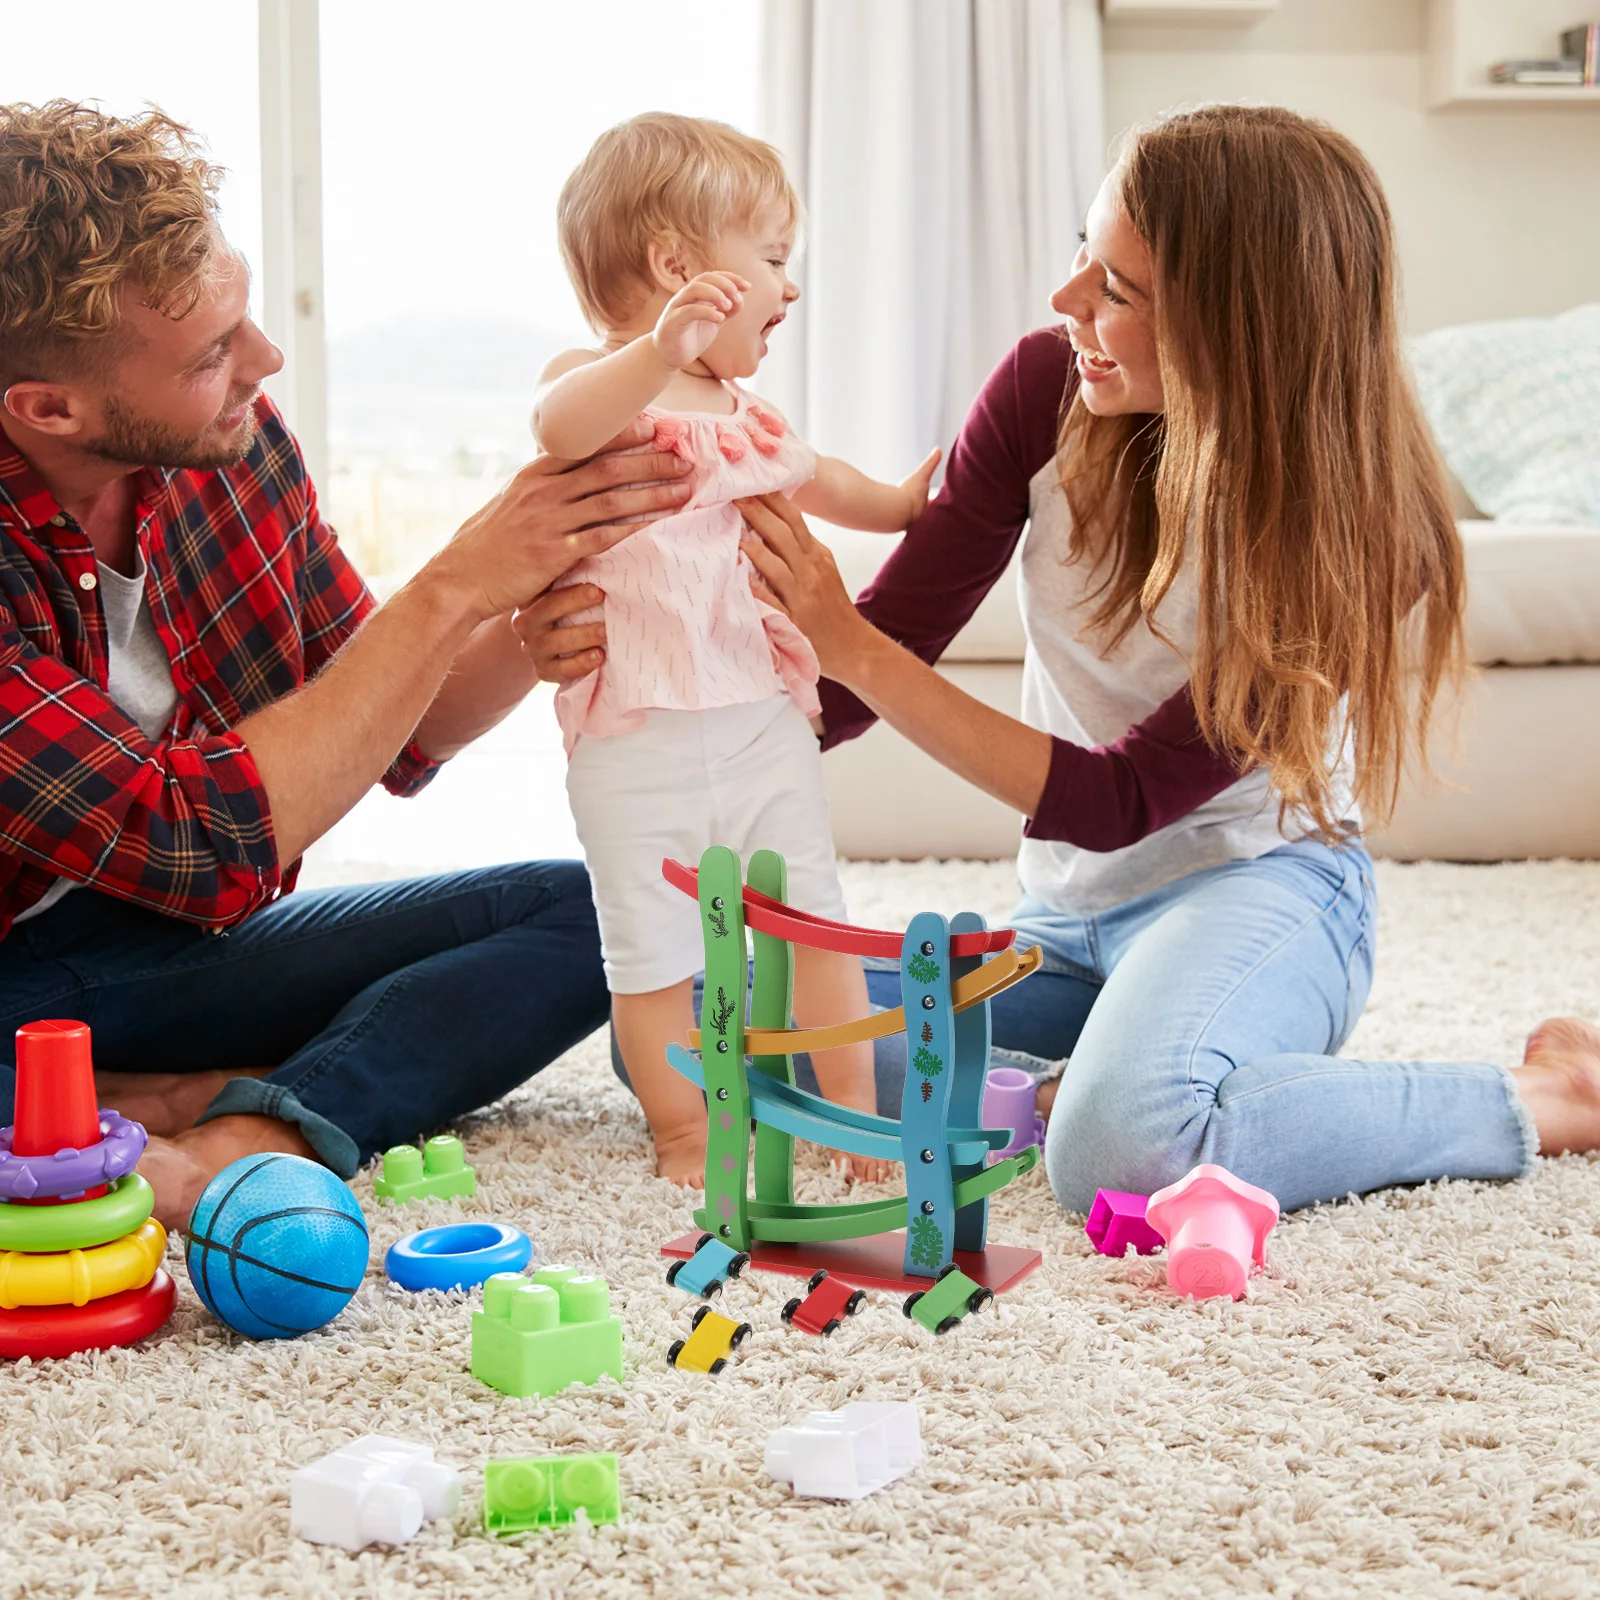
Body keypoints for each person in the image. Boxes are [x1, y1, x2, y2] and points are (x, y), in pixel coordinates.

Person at [529, 103, 1600, 1215]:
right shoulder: (1044, 387)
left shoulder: (1361, 530)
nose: (1066, 301)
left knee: (1121, 1153)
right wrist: (634, 650)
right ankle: (1124, 1076)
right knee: (698, 1038)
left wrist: (833, 635)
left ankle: (1539, 1093)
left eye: (1117, 290)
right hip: (1066, 921)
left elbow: (1117, 798)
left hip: (1256, 889)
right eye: (1081, 257)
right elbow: (864, 673)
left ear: (1237, 325)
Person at [0, 101, 695, 1227]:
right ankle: (115, 1104)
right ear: (48, 408)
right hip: (18, 970)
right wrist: (455, 584)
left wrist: (525, 617)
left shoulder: (228, 441)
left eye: (245, 314)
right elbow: (202, 843)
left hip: (153, 949)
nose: (264, 363)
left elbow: (388, 717)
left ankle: (236, 1123)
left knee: (582, 912)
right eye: (214, 351)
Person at [528, 113, 936, 1183]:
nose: (788, 290)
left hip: (759, 719)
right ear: (676, 270)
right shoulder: (602, 384)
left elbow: (823, 477)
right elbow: (560, 427)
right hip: (632, 731)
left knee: (810, 917)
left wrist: (898, 503)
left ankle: (847, 1109)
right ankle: (682, 1126)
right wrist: (654, 350)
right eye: (771, 261)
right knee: (652, 943)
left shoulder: (747, 418)